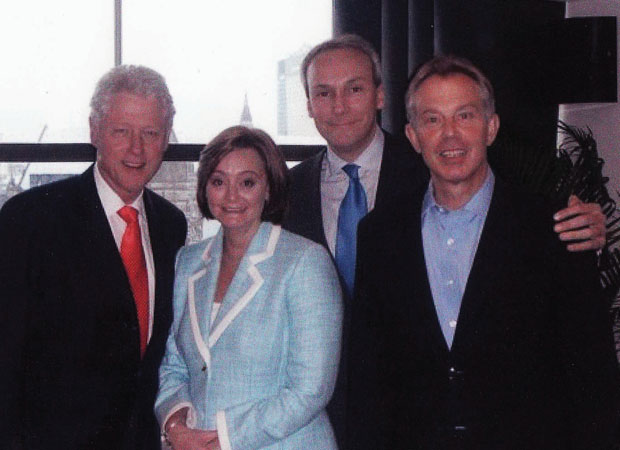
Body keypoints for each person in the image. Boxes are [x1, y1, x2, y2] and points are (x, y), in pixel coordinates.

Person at [282, 33, 608, 448]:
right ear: (416, 134)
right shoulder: (298, 199)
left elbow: (592, 378)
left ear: (490, 127)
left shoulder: (554, 223)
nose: (450, 135)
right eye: (433, 120)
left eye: (465, 116)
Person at [0, 65, 188, 449]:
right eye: (122, 132)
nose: (137, 149)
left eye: (150, 133)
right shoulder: (30, 219)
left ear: (166, 138)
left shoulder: (172, 226)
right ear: (94, 131)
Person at [155, 126, 342, 450]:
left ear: (268, 189)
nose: (231, 196)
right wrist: (175, 424)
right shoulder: (188, 261)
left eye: (247, 182)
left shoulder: (305, 262)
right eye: (218, 182)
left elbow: (311, 389)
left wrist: (222, 441)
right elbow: (175, 365)